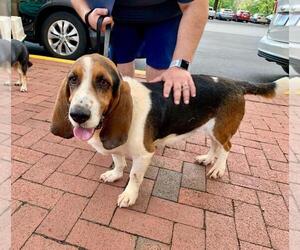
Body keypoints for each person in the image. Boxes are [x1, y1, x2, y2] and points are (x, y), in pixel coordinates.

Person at [71, 0, 208, 104]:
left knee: (159, 88)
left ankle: (155, 131)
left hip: (165, 14)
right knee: (120, 79)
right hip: (118, 15)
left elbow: (196, 4)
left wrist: (180, 65)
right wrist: (86, 14)